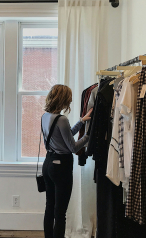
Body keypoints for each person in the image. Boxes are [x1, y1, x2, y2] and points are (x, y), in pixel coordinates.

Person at [41, 84, 92, 238]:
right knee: (60, 212)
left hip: (48, 163)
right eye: (68, 99)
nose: (70, 102)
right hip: (61, 167)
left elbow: (65, 135)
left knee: (50, 207)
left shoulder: (45, 116)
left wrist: (81, 121)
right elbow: (73, 147)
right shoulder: (61, 119)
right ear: (64, 99)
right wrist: (89, 135)